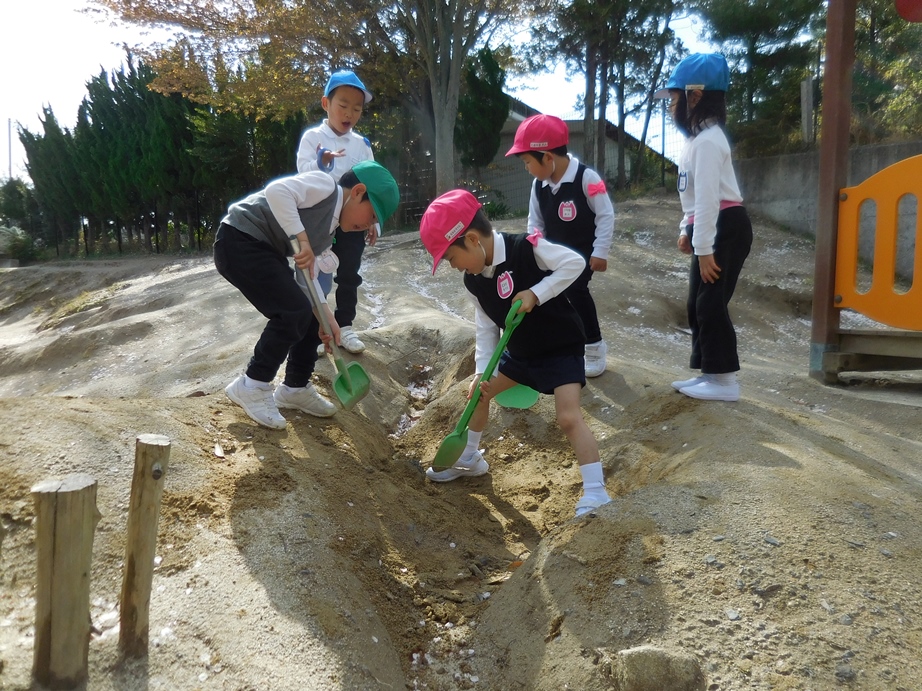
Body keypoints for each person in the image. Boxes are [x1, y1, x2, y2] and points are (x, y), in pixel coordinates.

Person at [419, 189, 612, 518]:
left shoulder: (527, 248)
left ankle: (596, 491)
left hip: (560, 348)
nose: (453, 266)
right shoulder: (473, 281)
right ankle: (469, 457)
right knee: (479, 395)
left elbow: (574, 263)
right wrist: (482, 372)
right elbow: (486, 329)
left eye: (451, 258)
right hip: (521, 353)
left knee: (568, 417)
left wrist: (537, 293)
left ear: (472, 239)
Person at [214, 161, 399, 429]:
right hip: (239, 239)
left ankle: (295, 387)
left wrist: (326, 317)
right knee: (293, 311)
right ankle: (252, 384)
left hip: (265, 250)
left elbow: (306, 278)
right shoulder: (326, 187)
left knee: (311, 314)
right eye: (371, 216)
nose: (367, 226)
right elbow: (277, 191)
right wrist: (302, 239)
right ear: (358, 192)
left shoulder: (327, 234)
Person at [654, 53, 753, 402]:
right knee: (697, 302)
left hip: (725, 225)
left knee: (711, 303)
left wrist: (705, 247)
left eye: (674, 98)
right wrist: (687, 228)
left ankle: (725, 381)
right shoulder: (696, 142)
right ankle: (711, 372)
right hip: (710, 226)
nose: (671, 107)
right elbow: (693, 197)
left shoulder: (710, 141)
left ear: (695, 96)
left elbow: (711, 199)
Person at [505, 114, 615, 378]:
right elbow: (535, 221)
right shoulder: (538, 185)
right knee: (544, 293)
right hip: (553, 255)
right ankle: (558, 345)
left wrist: (600, 251)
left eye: (528, 162)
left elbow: (605, 215)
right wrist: (535, 248)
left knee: (575, 290)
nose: (527, 168)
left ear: (548, 158)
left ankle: (594, 345)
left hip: (581, 255)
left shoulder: (587, 178)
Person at [296, 69, 377, 356]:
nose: (349, 113)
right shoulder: (312, 138)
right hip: (320, 223)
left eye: (356, 109)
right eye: (343, 105)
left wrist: (373, 222)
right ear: (325, 104)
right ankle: (319, 329)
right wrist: (321, 163)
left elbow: (372, 184)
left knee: (349, 273)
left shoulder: (361, 145)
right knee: (317, 277)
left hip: (352, 224)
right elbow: (302, 175)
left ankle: (345, 325)